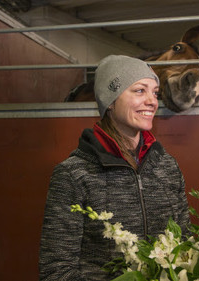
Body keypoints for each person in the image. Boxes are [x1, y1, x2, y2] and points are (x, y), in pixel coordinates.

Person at [39, 55, 190, 281]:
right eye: (140, 90)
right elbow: (56, 271)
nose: (152, 101)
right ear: (110, 101)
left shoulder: (166, 166)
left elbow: (186, 245)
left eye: (155, 92)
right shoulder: (74, 175)